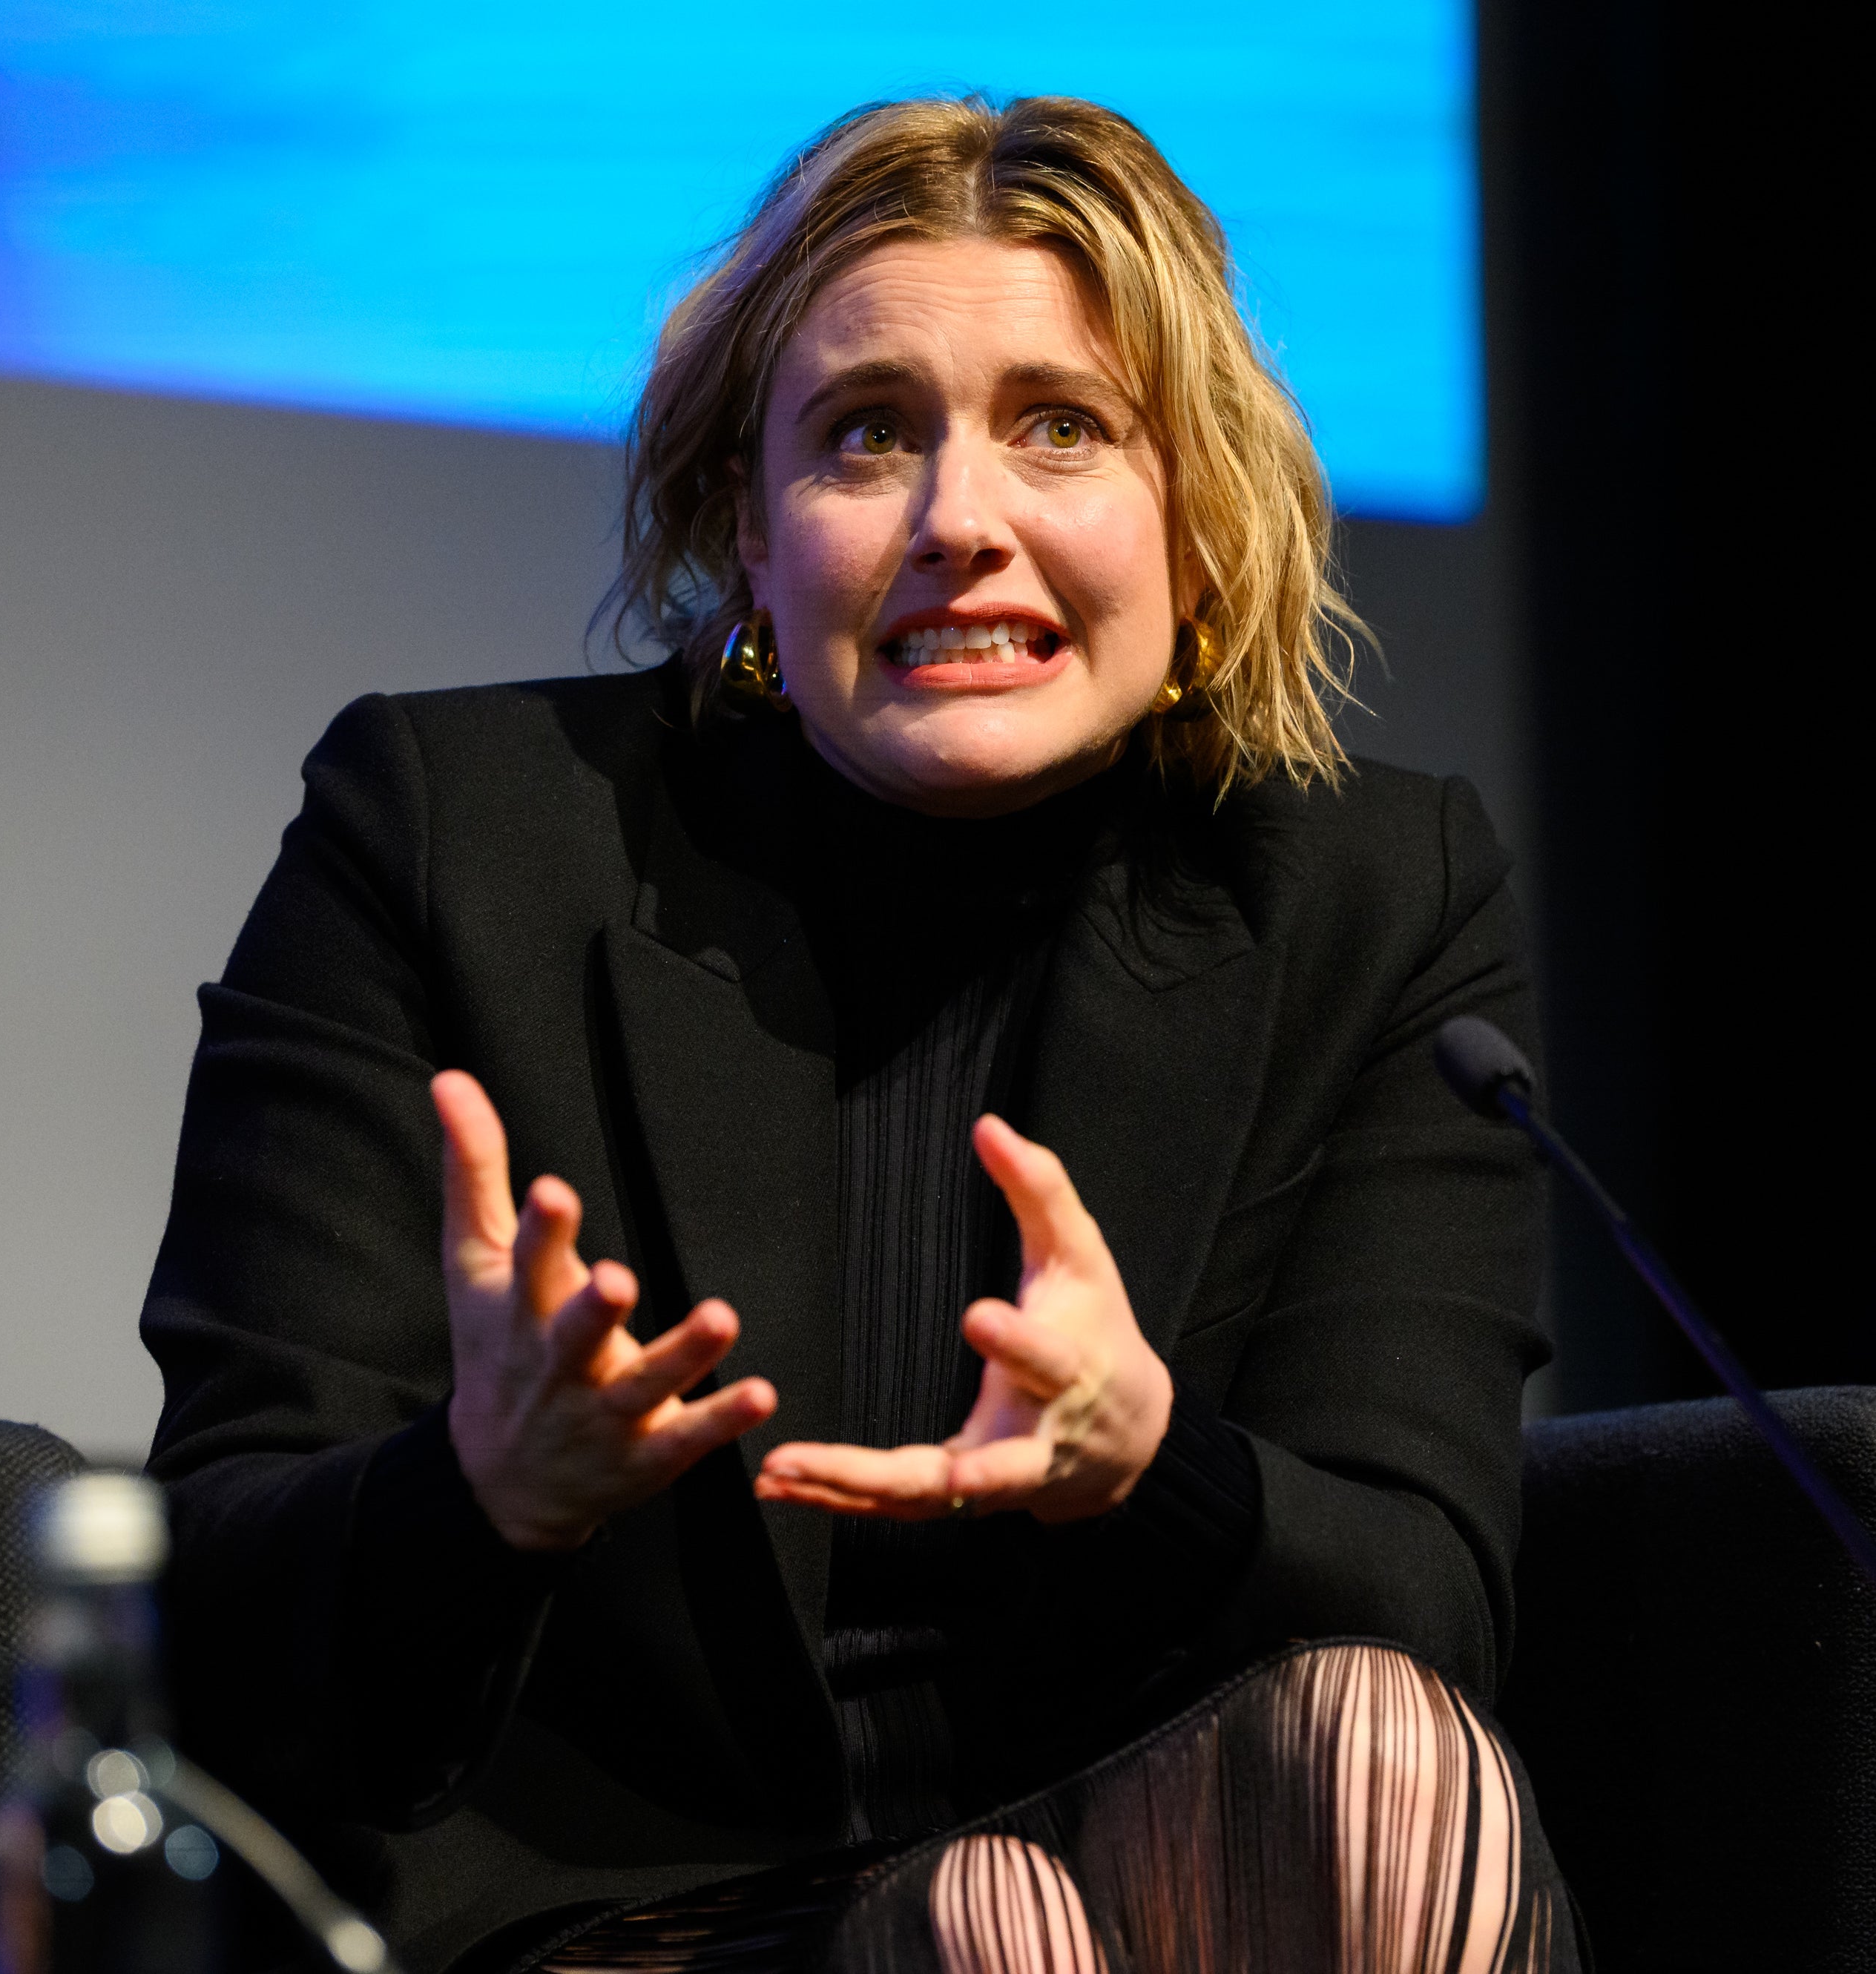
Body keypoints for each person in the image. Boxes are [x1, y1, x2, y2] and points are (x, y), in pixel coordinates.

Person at [141, 95, 1582, 1974]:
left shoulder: (1372, 888)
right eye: (865, 436)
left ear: (1197, 513)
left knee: (1371, 1748)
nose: (958, 519)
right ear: (749, 529)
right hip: (610, 1921)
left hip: (1167, 1886)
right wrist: (481, 1495)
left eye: (1061, 427)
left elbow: (1427, 1601)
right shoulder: (448, 828)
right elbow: (213, 1617)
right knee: (987, 1925)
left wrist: (1158, 1462)